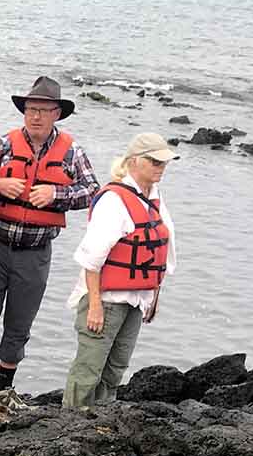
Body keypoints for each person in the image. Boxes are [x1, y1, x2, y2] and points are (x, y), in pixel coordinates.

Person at [0, 77, 100, 413]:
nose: (35, 116)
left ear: (56, 115)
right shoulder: (5, 144)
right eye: (31, 110)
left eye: (43, 111)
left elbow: (93, 191)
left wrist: (56, 194)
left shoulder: (72, 151)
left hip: (35, 253)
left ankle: (3, 390)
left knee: (20, 322)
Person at [63, 133, 178, 409]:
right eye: (154, 161)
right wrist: (94, 306)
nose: (161, 167)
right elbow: (91, 260)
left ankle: (101, 421)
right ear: (134, 162)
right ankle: (70, 422)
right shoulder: (114, 201)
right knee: (89, 368)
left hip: (136, 301)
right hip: (105, 301)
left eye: (164, 162)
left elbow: (163, 253)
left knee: (115, 369)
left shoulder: (155, 198)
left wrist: (153, 299)